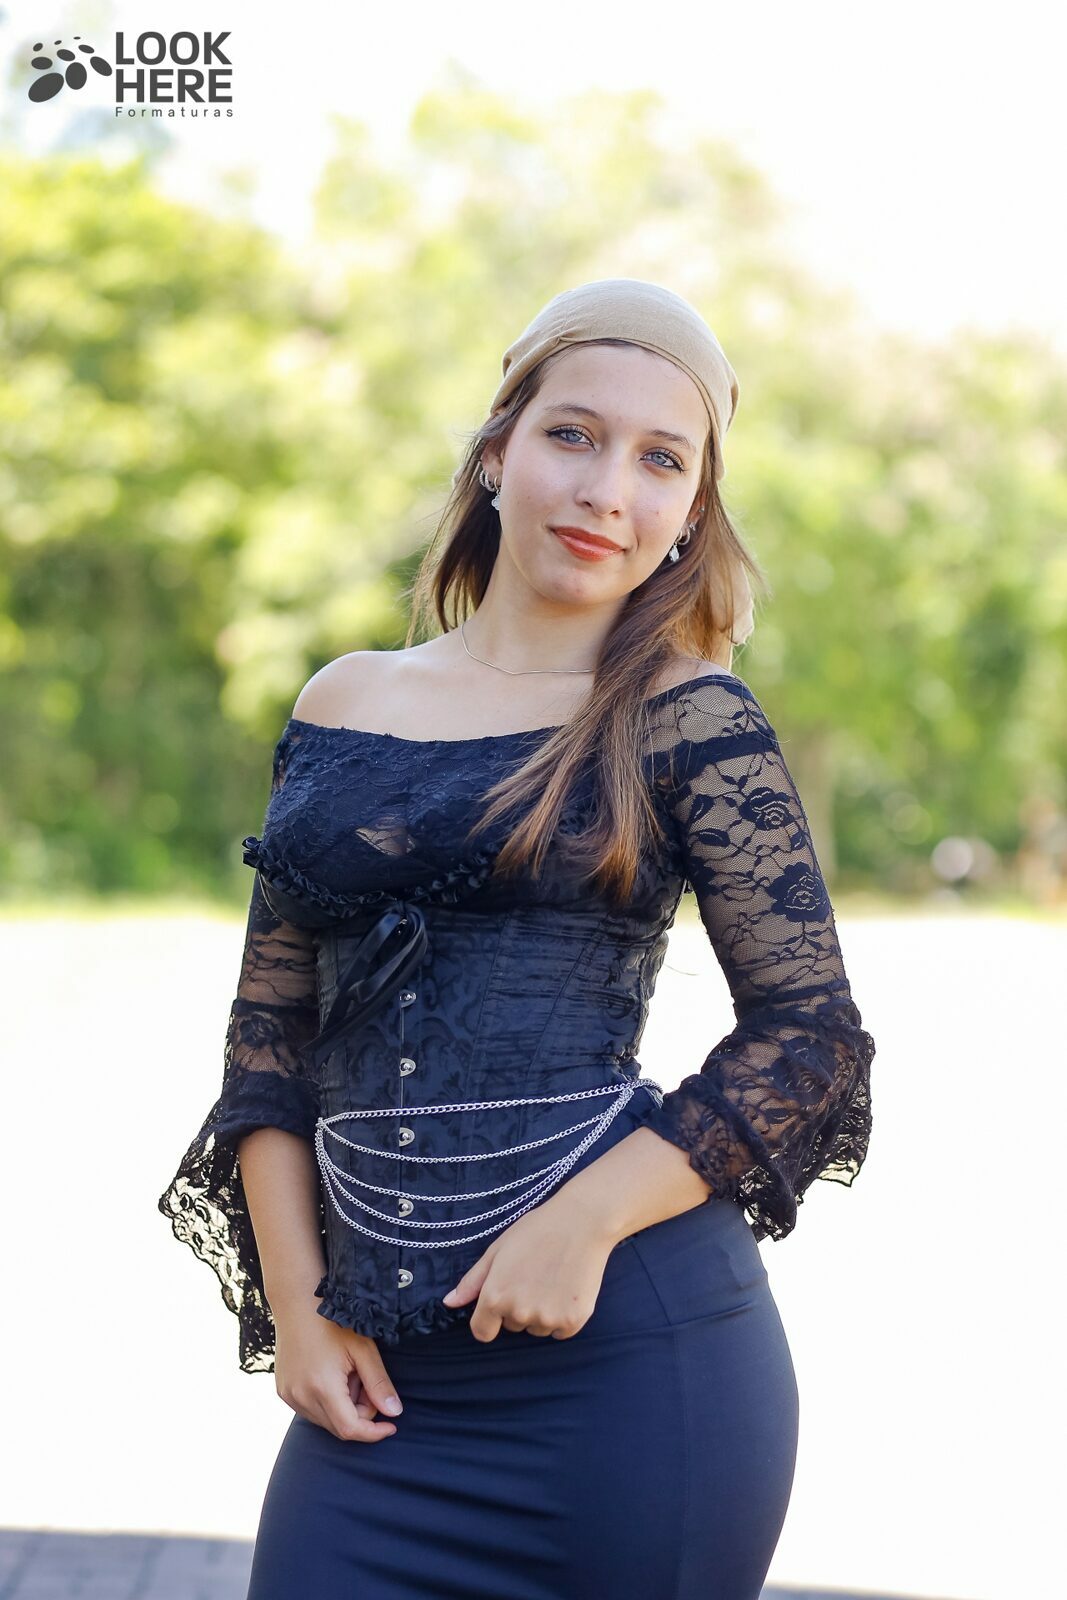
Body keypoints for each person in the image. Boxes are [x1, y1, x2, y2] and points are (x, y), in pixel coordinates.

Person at [159, 277, 876, 1599]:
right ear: (498, 450)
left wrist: (585, 1223)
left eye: (661, 460)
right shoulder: (344, 700)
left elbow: (810, 1037)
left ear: (690, 513)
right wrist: (300, 1307)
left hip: (630, 1379)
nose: (608, 489)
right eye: (573, 434)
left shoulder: (689, 717)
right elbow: (270, 1032)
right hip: (381, 1394)